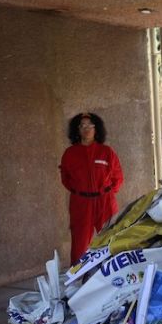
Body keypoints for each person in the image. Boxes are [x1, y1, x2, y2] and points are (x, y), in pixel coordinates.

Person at [60, 113, 124, 265]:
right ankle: (78, 278)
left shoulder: (106, 152)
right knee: (80, 242)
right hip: (81, 203)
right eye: (82, 126)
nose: (86, 129)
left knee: (111, 238)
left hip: (105, 202)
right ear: (77, 130)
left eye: (90, 126)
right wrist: (81, 192)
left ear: (96, 129)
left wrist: (105, 193)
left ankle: (113, 274)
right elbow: (66, 179)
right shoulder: (70, 154)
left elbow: (117, 177)